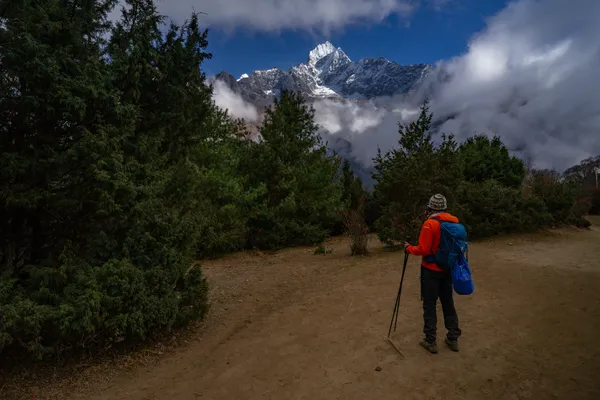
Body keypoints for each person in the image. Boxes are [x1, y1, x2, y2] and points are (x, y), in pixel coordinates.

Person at [404, 193, 461, 354]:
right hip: (447, 269)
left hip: (430, 270)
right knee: (448, 302)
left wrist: (408, 248)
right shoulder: (454, 221)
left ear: (430, 208)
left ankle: (430, 341)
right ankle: (453, 338)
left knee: (429, 304)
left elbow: (423, 249)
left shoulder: (430, 224)